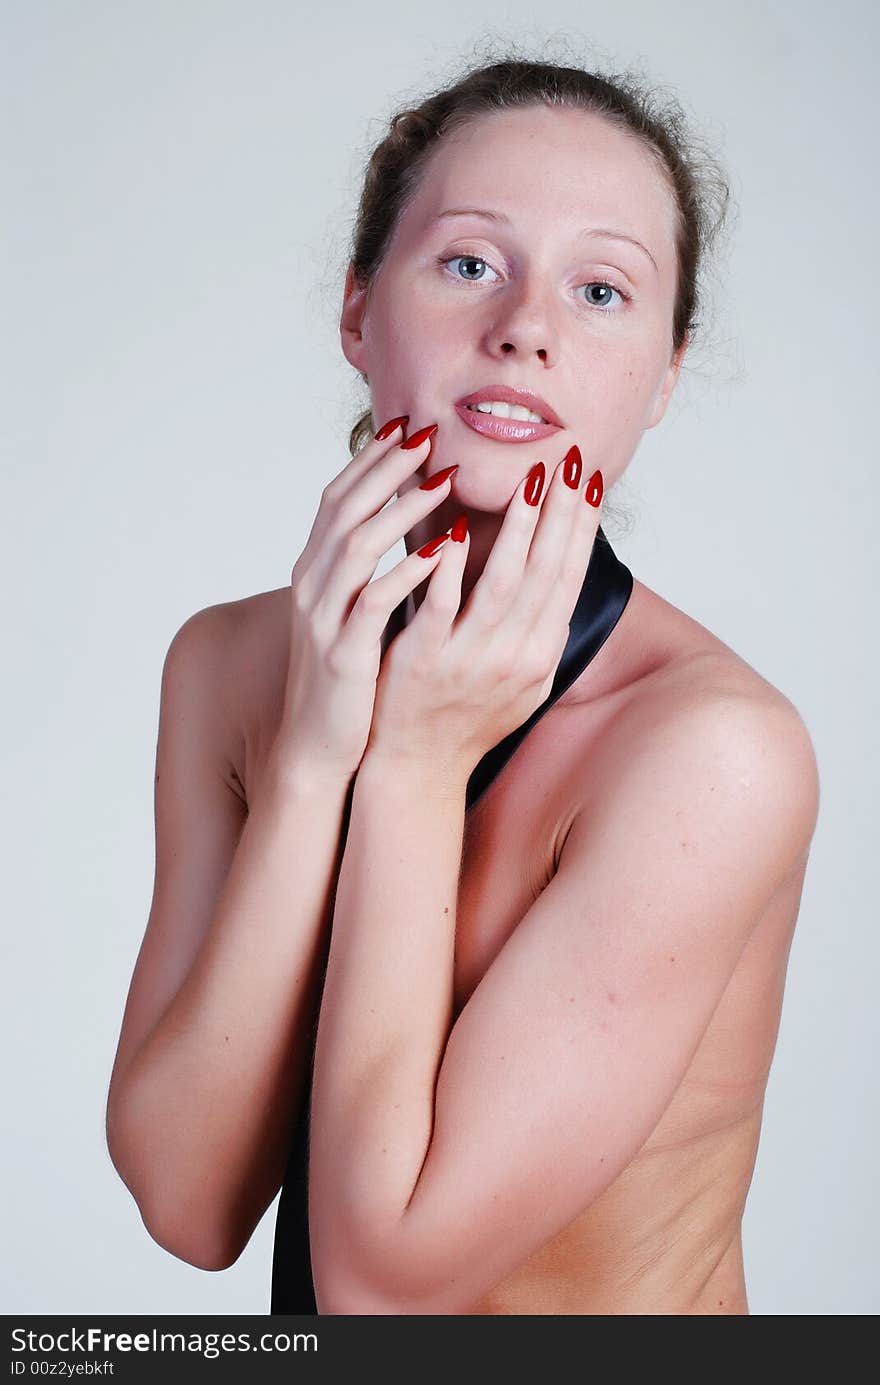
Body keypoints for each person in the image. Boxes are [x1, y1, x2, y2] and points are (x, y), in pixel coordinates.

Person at [105, 54, 820, 1315]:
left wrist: (417, 765)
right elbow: (188, 1200)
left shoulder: (711, 751)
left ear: (660, 374)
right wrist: (317, 760)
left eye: (601, 289)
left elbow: (381, 1287)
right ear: (357, 311)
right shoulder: (227, 666)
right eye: (470, 262)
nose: (526, 327)